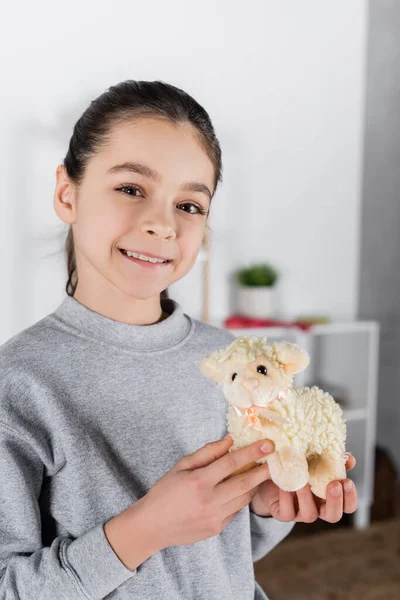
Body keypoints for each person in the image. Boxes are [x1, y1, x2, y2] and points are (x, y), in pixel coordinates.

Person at [0, 80, 358, 600]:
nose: (161, 224)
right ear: (66, 192)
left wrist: (265, 504)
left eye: (189, 205)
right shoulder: (19, 382)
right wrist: (143, 530)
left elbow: (225, 552)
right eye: (130, 189)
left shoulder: (231, 363)